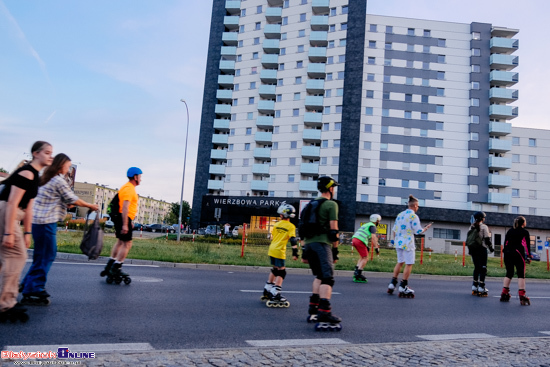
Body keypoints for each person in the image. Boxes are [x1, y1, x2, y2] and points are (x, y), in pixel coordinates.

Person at [20, 154, 98, 305]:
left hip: (37, 223)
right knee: (48, 255)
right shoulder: (57, 180)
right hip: (47, 223)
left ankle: (27, 283)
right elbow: (73, 199)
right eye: (68, 166)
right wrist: (90, 206)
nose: (68, 170)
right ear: (61, 165)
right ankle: (34, 288)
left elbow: (59, 200)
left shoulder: (44, 178)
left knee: (40, 256)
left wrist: (67, 204)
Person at [0, 141, 52, 322]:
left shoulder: (34, 176)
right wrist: (8, 233)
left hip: (12, 214)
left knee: (3, 258)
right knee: (17, 256)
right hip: (7, 213)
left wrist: (27, 233)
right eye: (47, 152)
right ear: (36, 153)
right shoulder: (27, 173)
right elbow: (12, 203)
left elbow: (28, 208)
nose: (50, 156)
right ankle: (6, 304)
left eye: (51, 153)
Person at [301, 176, 341, 330]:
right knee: (327, 278)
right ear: (331, 188)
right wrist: (335, 251)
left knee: (318, 276)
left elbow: (302, 229)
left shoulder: (310, 204)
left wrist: (304, 251)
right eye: (334, 188)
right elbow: (333, 231)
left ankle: (313, 308)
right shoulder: (331, 204)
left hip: (309, 245)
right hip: (322, 244)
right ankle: (324, 311)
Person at [100, 167, 142, 282]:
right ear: (135, 177)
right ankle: (116, 267)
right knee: (127, 243)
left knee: (120, 242)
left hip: (121, 218)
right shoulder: (129, 189)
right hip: (122, 217)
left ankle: (110, 264)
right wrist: (125, 224)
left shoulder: (126, 187)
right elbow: (125, 207)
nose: (141, 179)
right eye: (140, 176)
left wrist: (130, 222)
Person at [387, 195, 431, 298]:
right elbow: (418, 231)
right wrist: (426, 228)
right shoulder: (413, 216)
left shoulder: (400, 215)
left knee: (400, 262)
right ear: (415, 205)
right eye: (418, 206)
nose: (418, 208)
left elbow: (394, 229)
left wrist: (394, 241)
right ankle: (403, 285)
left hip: (398, 242)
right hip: (408, 243)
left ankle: (392, 283)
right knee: (409, 263)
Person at [261, 203, 298, 307]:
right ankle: (275, 292)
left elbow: (274, 236)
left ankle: (267, 288)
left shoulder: (276, 224)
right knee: (282, 272)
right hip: (280, 251)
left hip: (272, 249)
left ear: (282, 215)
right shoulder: (291, 226)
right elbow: (293, 240)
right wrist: (295, 252)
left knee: (275, 269)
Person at [500, 216, 532, 305]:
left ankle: (504, 293)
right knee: (521, 273)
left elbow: (505, 243)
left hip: (507, 253)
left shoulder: (510, 231)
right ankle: (522, 295)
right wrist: (529, 256)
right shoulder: (524, 232)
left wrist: (505, 251)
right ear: (523, 223)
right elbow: (527, 245)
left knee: (509, 273)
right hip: (518, 253)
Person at [468, 211, 494, 297]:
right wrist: (491, 248)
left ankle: (474, 286)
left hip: (473, 250)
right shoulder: (484, 227)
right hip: (482, 249)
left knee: (476, 268)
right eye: (484, 217)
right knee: (483, 268)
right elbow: (487, 239)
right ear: (481, 218)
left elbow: (469, 240)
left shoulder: (471, 226)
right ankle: (481, 287)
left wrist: (470, 251)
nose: (484, 218)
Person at [351, 214, 381, 283]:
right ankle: (359, 274)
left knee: (362, 257)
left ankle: (356, 271)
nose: (379, 223)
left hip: (355, 239)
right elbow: (373, 237)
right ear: (376, 221)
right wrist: (376, 248)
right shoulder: (372, 226)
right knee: (365, 258)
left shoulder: (367, 224)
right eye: (378, 221)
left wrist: (366, 245)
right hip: (360, 241)